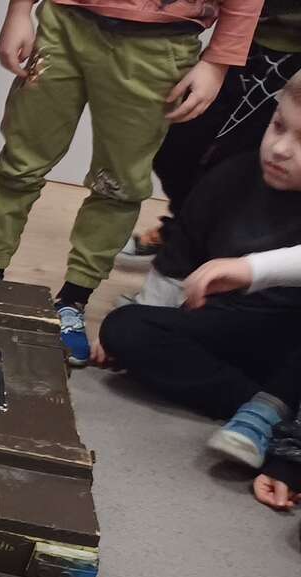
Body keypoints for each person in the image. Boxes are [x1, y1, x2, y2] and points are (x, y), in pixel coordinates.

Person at [0, 0, 262, 366]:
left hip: (161, 43)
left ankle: (73, 301)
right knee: (18, 166)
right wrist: (18, 10)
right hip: (65, 22)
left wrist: (218, 61)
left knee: (120, 185)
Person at [92, 74, 301, 469]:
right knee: (125, 327)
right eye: (278, 126)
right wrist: (147, 316)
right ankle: (261, 411)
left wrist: (249, 269)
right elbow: (179, 260)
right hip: (228, 327)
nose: (280, 149)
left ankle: (275, 411)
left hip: (292, 346)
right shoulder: (231, 177)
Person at [128, 0, 301, 258]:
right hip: (242, 36)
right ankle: (185, 230)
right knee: (175, 143)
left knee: (242, 163)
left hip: (294, 62)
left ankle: (194, 248)